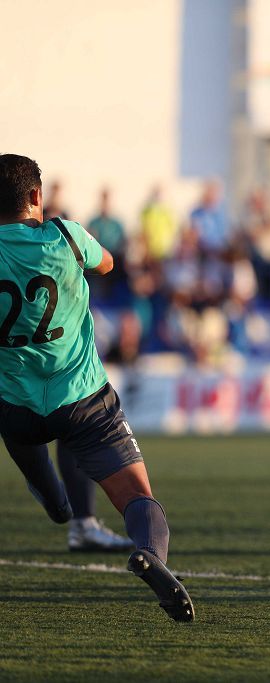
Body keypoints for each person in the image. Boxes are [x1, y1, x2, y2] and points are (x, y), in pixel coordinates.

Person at [0, 154, 194, 622]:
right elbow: (107, 264)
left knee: (42, 479)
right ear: (35, 197)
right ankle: (152, 555)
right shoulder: (65, 235)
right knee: (138, 496)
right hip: (82, 397)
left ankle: (61, 507)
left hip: (14, 406)